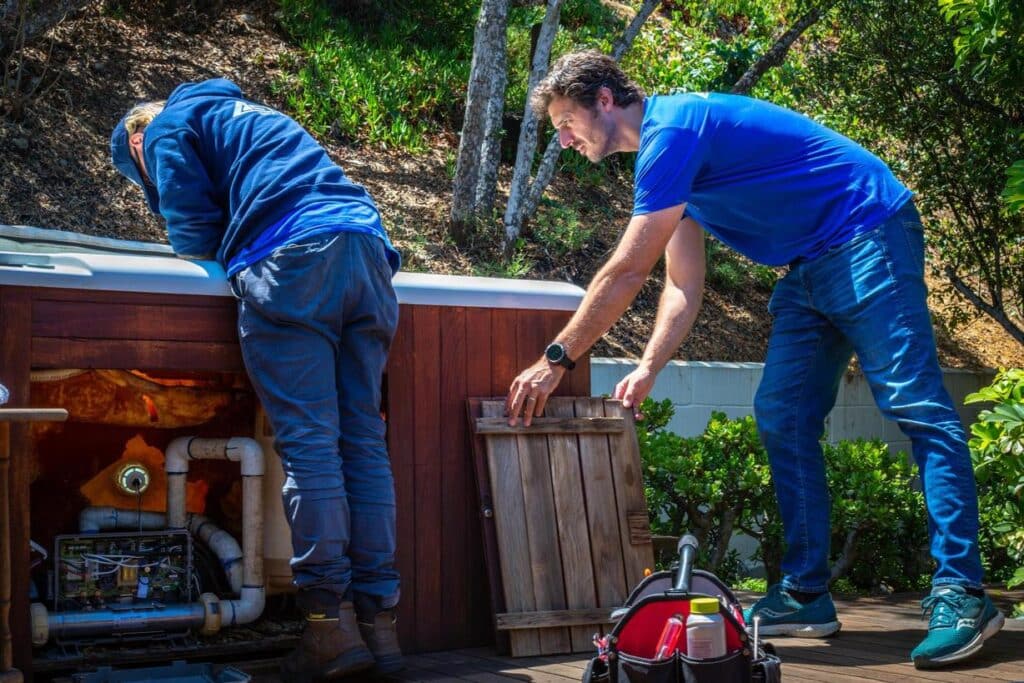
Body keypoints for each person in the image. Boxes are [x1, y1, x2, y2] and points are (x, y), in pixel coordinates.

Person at [505, 49, 1004, 669]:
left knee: (917, 406)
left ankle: (961, 593)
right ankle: (806, 595)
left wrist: (557, 357)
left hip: (867, 229)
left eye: (565, 121)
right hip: (810, 266)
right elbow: (681, 286)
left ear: (603, 100)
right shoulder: (670, 167)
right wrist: (651, 366)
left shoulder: (675, 129)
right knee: (782, 414)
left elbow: (627, 269)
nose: (564, 137)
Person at [111, 78, 404, 681]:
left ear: (138, 138)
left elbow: (190, 227)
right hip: (368, 254)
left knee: (311, 447)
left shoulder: (164, 127)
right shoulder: (247, 115)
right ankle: (381, 630)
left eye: (139, 169)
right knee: (364, 443)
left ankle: (329, 628)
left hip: (293, 263)